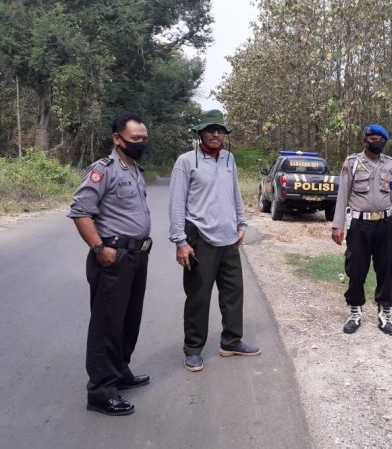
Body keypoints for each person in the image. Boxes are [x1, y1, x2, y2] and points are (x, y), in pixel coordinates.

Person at [68, 113, 152, 416]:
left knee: (129, 320)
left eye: (144, 139)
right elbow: (81, 211)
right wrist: (99, 248)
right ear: (117, 139)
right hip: (113, 258)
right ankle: (101, 392)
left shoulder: (135, 169)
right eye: (135, 139)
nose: (141, 143)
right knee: (107, 324)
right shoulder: (102, 170)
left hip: (136, 256)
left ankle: (120, 372)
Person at [169, 109, 259, 372]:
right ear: (201, 133)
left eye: (220, 130)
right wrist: (180, 241)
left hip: (229, 239)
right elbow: (176, 204)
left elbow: (235, 193)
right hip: (200, 240)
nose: (216, 134)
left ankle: (231, 341)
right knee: (198, 297)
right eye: (211, 129)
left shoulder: (229, 159)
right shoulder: (186, 162)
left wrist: (241, 223)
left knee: (233, 293)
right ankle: (193, 349)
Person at [331, 124, 392, 335]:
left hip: (385, 224)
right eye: (373, 139)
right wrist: (338, 225)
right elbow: (343, 194)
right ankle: (354, 313)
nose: (377, 142)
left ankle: (385, 315)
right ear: (365, 141)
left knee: (386, 268)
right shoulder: (352, 163)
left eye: (381, 140)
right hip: (359, 225)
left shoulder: (391, 164)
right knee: (356, 268)